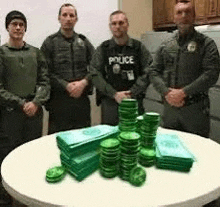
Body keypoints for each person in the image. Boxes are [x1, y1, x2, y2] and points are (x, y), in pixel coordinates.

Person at [149, 0, 220, 138]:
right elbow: (153, 71)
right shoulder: (166, 45)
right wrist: (166, 92)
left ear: (194, 16)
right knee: (170, 148)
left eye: (188, 12)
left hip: (196, 111)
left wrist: (183, 92)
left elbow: (211, 74)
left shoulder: (206, 44)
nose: (183, 16)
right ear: (174, 18)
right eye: (179, 12)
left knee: (197, 152)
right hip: (170, 111)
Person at [0, 10, 50, 204]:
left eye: (21, 24)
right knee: (8, 158)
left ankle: (31, 196)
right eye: (14, 24)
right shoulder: (2, 53)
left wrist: (35, 103)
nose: (18, 28)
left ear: (25, 28)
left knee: (31, 156)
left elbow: (44, 82)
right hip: (10, 114)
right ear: (7, 27)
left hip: (33, 113)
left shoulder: (35, 52)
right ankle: (7, 198)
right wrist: (21, 103)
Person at [90, 10, 152, 126]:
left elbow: (149, 70)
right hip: (110, 102)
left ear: (127, 25)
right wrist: (114, 94)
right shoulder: (103, 48)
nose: (117, 27)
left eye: (121, 23)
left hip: (134, 101)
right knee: (110, 137)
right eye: (114, 24)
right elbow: (94, 73)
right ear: (110, 27)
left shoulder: (138, 47)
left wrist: (132, 92)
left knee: (135, 134)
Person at [41, 3, 95, 134]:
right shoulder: (50, 42)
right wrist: (66, 85)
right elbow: (44, 72)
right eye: (64, 15)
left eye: (72, 15)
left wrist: (84, 83)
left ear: (76, 19)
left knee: (83, 141)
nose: (68, 18)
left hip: (81, 101)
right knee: (57, 142)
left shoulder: (84, 42)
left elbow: (96, 67)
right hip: (59, 101)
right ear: (59, 18)